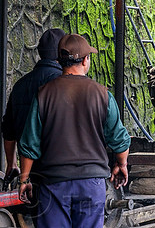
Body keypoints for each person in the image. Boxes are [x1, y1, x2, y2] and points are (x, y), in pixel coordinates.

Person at [18, 33, 131, 228]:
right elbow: (119, 140)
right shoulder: (102, 94)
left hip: (53, 184)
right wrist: (121, 164)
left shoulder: (44, 94)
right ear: (86, 60)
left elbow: (29, 144)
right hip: (91, 184)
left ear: (59, 61)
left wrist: (24, 179)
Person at [1, 28, 66, 187]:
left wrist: (12, 164)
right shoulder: (64, 84)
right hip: (59, 171)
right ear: (62, 53)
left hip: (29, 172)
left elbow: (8, 132)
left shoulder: (20, 86)